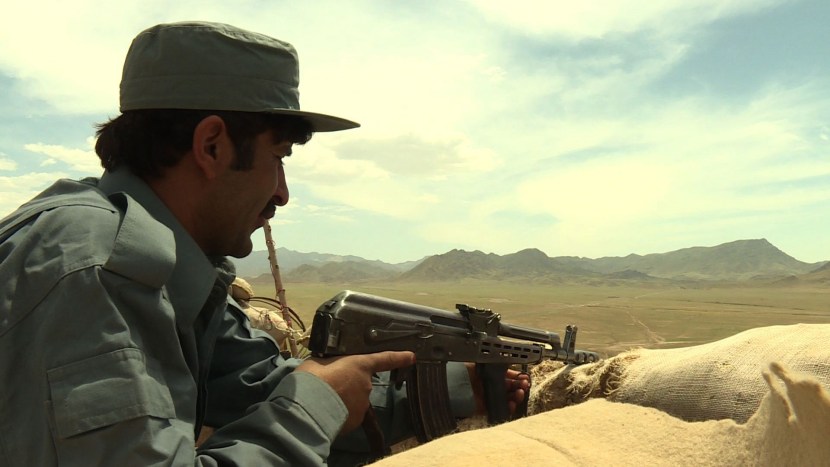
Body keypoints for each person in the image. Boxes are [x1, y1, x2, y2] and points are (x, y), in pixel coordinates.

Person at [0, 21, 527, 465]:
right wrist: (314, 406)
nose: (282, 193)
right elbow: (302, 406)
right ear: (211, 146)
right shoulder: (91, 267)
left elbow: (258, 384)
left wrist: (460, 389)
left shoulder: (169, 267)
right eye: (278, 158)